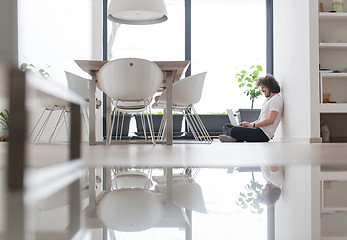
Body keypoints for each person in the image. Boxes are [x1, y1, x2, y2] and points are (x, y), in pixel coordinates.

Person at [219, 74, 283, 142]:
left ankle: (234, 137)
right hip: (257, 129)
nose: (261, 90)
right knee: (227, 126)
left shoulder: (276, 99)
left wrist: (253, 125)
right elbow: (259, 119)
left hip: (263, 134)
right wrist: (248, 124)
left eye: (263, 87)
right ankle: (234, 138)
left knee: (233, 130)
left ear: (269, 86)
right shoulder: (267, 100)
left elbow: (271, 120)